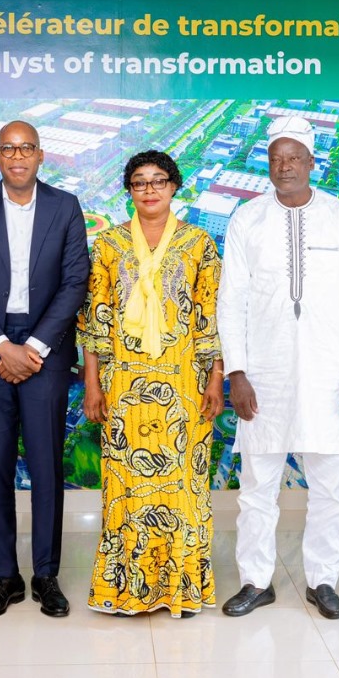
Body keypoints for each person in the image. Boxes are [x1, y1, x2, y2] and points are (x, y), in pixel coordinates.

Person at [217, 116, 339, 619]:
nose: (285, 166)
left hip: (330, 374)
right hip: (263, 376)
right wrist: (237, 373)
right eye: (276, 158)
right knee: (257, 489)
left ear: (313, 162)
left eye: (294, 158)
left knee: (329, 489)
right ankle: (256, 581)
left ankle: (323, 580)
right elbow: (231, 301)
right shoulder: (247, 219)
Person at [0, 120, 90, 618]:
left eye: (26, 147)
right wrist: (0, 345)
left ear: (40, 155)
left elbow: (75, 281)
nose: (17, 156)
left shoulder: (65, 207)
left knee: (47, 467)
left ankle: (46, 575)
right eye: (8, 149)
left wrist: (31, 347)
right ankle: (5, 577)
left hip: (44, 349)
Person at [79, 150, 224, 618]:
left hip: (185, 383)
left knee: (183, 486)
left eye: (158, 180)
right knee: (126, 484)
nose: (149, 190)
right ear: (129, 191)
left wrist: (216, 378)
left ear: (174, 186)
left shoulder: (199, 244)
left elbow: (210, 318)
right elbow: (95, 321)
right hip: (123, 385)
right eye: (139, 182)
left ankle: (180, 587)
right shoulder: (108, 245)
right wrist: (92, 384)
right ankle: (125, 589)